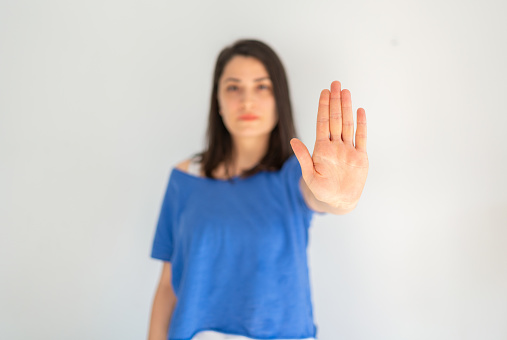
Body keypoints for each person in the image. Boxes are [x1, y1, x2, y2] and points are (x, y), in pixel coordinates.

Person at [147, 39, 368, 340]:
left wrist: (342, 199)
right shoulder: (185, 178)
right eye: (233, 87)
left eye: (262, 87)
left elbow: (323, 198)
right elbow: (166, 286)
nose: (247, 101)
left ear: (280, 99)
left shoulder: (294, 176)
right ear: (218, 101)